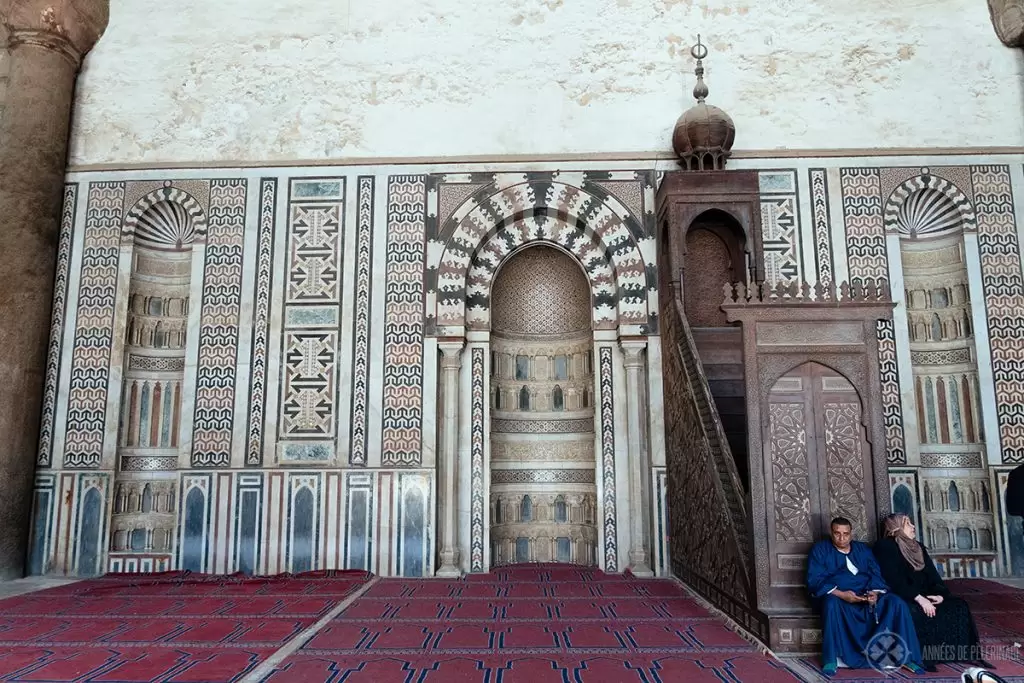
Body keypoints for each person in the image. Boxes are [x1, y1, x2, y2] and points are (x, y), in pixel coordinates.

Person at [807, 516, 924, 676]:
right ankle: (831, 659)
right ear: (831, 533)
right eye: (837, 534)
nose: (842, 538)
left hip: (867, 595)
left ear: (851, 533)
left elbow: (876, 574)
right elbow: (815, 580)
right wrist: (843, 595)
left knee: (896, 603)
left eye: (846, 534)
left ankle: (908, 658)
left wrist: (874, 593)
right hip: (840, 598)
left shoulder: (863, 550)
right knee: (830, 603)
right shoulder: (820, 550)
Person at [873, 513, 987, 671]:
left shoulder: (917, 547)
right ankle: (924, 657)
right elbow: (894, 579)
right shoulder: (886, 546)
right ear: (895, 527)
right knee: (914, 611)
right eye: (908, 524)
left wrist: (940, 594)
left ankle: (953, 653)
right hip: (904, 595)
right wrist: (919, 598)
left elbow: (933, 575)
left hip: (925, 593)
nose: (913, 527)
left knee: (959, 605)